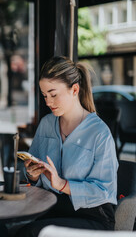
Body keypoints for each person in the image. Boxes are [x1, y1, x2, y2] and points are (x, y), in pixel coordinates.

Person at [15, 56, 118, 236]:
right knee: (6, 227)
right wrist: (32, 175)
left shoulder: (99, 132)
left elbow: (104, 191)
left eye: (53, 94)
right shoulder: (47, 124)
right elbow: (32, 175)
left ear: (75, 89)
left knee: (32, 232)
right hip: (51, 208)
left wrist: (62, 184)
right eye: (45, 95)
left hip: (91, 216)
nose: (48, 102)